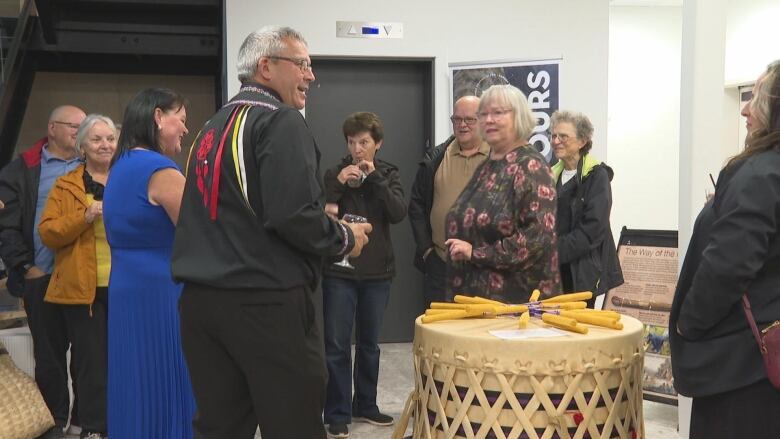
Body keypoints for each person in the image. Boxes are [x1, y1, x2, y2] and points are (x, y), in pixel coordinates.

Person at [170, 26, 371, 439]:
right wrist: (345, 239)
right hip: (265, 303)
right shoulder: (279, 121)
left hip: (201, 306)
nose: (311, 76)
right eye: (302, 64)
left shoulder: (210, 128)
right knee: (293, 424)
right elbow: (293, 216)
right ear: (265, 67)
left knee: (221, 427)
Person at [670, 59, 780, 438]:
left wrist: (688, 322)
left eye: (756, 99)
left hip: (742, 367)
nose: (745, 109)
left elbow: (728, 267)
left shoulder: (760, 174)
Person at [102, 89, 195, 439]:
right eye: (181, 120)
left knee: (134, 380)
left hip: (126, 289)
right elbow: (199, 235)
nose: (186, 130)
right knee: (168, 377)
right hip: (162, 292)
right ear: (158, 117)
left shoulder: (120, 166)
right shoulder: (160, 169)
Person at [0, 105, 86, 438]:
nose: (80, 133)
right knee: (49, 361)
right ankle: (52, 427)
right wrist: (25, 266)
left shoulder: (91, 166)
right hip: (42, 279)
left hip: (83, 280)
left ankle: (83, 424)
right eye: (73, 127)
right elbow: (6, 225)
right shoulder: (23, 169)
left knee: (86, 359)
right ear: (52, 128)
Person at [321, 112, 406, 438]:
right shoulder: (334, 173)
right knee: (337, 345)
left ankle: (366, 405)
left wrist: (376, 180)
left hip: (377, 273)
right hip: (339, 271)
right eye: (352, 142)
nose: (358, 150)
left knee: (370, 344)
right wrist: (338, 184)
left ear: (377, 144)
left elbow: (397, 213)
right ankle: (338, 412)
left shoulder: (388, 174)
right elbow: (320, 211)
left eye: (364, 143)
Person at [38, 114, 117, 439]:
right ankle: (95, 429)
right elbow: (48, 233)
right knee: (91, 365)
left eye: (110, 138)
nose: (105, 145)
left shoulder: (128, 178)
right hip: (82, 289)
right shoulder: (66, 184)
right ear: (82, 145)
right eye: (97, 139)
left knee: (125, 361)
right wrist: (83, 216)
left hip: (127, 286)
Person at [444, 85, 561, 303]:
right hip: (479, 302)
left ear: (519, 117)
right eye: (483, 114)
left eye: (498, 113)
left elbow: (534, 240)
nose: (488, 120)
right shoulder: (490, 165)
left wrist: (476, 253)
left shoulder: (530, 167)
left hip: (514, 308)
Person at [409, 96, 489, 307]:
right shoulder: (435, 157)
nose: (462, 125)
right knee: (440, 332)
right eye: (457, 119)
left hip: (484, 269)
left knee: (480, 332)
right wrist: (427, 250)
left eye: (469, 119)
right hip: (441, 266)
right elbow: (416, 204)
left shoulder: (499, 158)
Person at [549, 110, 623, 308]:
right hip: (553, 272)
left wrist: (554, 251)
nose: (556, 141)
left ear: (582, 141)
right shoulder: (550, 175)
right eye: (553, 136)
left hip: (582, 273)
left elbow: (593, 228)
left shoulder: (597, 176)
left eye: (563, 136)